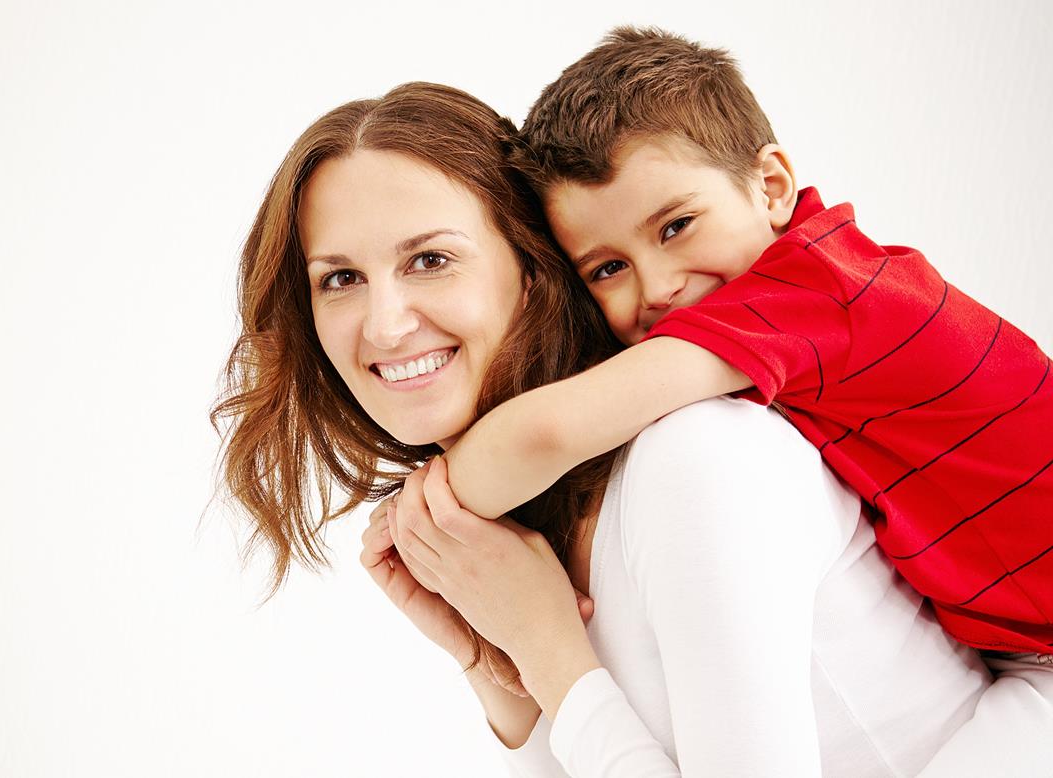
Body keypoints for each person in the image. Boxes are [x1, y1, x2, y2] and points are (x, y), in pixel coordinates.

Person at [212, 81, 1045, 775]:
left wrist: (548, 650)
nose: (386, 324)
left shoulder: (700, 455)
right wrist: (494, 665)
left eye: (430, 259)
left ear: (535, 268)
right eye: (340, 278)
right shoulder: (541, 525)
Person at [414, 24, 1053, 686]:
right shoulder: (830, 275)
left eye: (676, 227)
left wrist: (425, 513)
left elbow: (546, 434)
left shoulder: (807, 295)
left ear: (771, 186)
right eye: (607, 269)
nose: (657, 288)